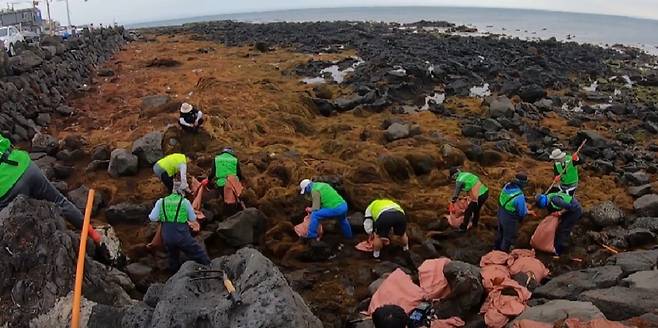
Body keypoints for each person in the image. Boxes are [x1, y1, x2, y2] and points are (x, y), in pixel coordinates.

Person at [0, 134, 110, 262]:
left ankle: (32, 257)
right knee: (60, 201)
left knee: (8, 226)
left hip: (7, 186)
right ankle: (95, 235)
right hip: (25, 166)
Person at [148, 181, 210, 273]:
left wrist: (164, 216)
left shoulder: (161, 202)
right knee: (198, 252)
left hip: (167, 236)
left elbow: (152, 217)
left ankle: (173, 277)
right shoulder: (184, 202)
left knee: (173, 257)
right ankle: (210, 267)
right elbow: (192, 218)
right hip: (182, 235)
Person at [494, 173, 535, 252]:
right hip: (509, 218)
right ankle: (502, 253)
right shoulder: (519, 195)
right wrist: (527, 212)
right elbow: (521, 213)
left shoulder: (507, 186)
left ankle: (496, 248)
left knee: (500, 232)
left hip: (500, 211)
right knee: (508, 237)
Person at [205, 147, 244, 215]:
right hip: (232, 184)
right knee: (232, 203)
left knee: (223, 201)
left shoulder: (217, 159)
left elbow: (213, 173)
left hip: (220, 183)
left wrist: (208, 180)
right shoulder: (234, 159)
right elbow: (239, 173)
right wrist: (239, 182)